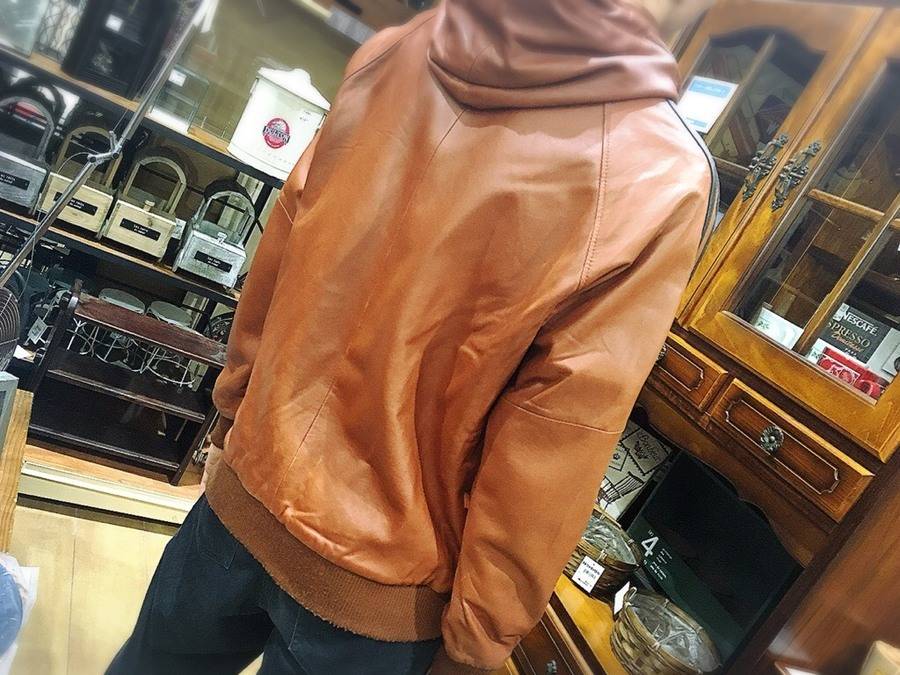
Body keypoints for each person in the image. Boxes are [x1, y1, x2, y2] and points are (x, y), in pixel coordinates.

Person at [110, 0, 717, 672]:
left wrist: (233, 415)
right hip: (380, 590)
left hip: (247, 486)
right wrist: (479, 639)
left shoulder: (404, 47)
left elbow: (283, 243)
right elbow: (557, 433)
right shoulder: (660, 178)